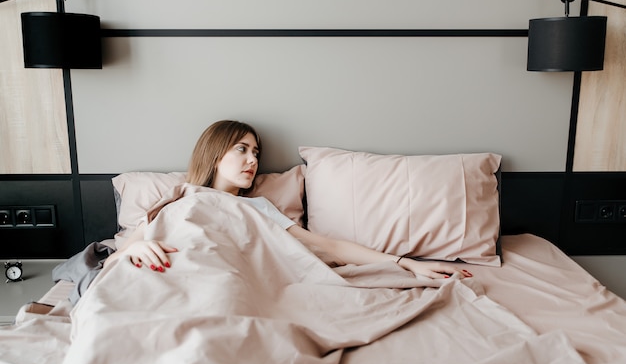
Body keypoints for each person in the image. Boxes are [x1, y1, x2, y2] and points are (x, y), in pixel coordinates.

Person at [104, 120, 472, 280]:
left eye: (257, 152)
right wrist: (133, 252)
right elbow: (114, 260)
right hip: (169, 273)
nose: (253, 160)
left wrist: (406, 263)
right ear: (216, 154)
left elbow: (328, 246)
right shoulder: (179, 202)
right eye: (242, 149)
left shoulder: (258, 208)